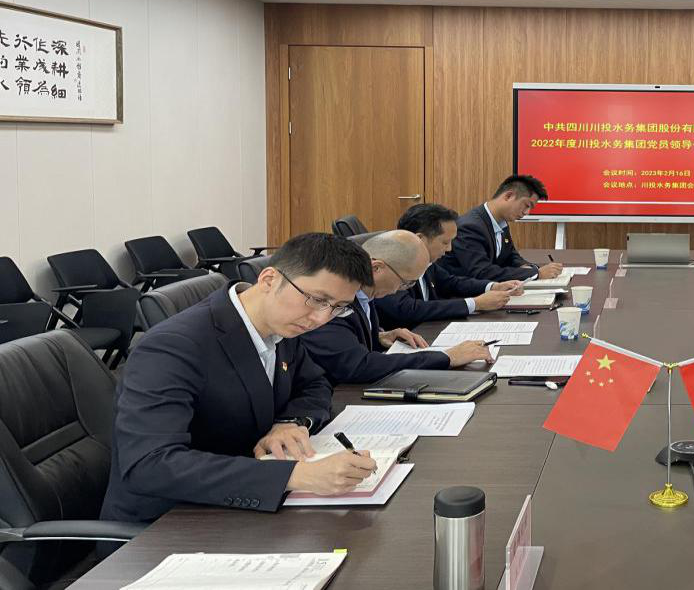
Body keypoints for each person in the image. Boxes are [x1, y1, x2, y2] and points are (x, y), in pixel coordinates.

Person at [101, 233, 378, 524]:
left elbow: (314, 383)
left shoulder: (284, 325)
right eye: (317, 299)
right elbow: (149, 465)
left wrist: (290, 422)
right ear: (269, 280)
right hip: (167, 523)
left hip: (238, 505)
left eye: (338, 307)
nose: (321, 319)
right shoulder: (172, 347)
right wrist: (294, 476)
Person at [302, 230, 493, 384]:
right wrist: (446, 356)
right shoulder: (330, 299)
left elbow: (343, 342)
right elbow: (357, 366)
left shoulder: (365, 292)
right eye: (405, 283)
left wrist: (378, 337)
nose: (401, 290)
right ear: (376, 268)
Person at [375, 203, 525, 328]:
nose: (449, 249)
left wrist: (493, 286)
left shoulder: (427, 263)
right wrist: (475, 304)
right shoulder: (391, 265)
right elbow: (407, 309)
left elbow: (451, 283)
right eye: (445, 242)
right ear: (419, 239)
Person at [440, 175, 562, 282]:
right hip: (462, 295)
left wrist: (528, 268)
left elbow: (511, 256)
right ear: (508, 196)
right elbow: (482, 272)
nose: (527, 212)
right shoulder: (470, 226)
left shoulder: (501, 223)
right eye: (526, 205)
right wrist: (536, 274)